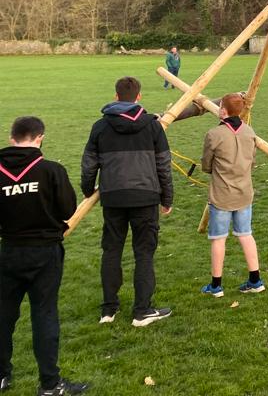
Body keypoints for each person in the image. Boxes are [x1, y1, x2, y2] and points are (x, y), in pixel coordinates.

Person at [0, 117, 88, 396]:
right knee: (44, 314)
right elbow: (66, 210)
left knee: (3, 315)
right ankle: (50, 384)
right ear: (40, 138)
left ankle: (2, 375)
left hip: (9, 251)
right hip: (44, 252)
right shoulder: (51, 170)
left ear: (12, 138)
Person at [81, 76, 173, 327]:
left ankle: (109, 310)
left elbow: (89, 163)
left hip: (113, 197)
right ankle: (140, 310)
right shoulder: (153, 126)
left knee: (112, 250)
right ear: (138, 97)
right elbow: (163, 164)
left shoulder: (100, 126)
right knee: (144, 253)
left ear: (116, 96)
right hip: (145, 197)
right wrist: (167, 197)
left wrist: (87, 189)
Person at [201, 93, 264, 296]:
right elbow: (251, 161)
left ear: (223, 111)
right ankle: (255, 280)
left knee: (219, 238)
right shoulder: (250, 132)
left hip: (222, 196)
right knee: (246, 234)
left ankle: (216, 286)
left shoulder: (214, 134)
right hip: (244, 192)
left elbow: (206, 165)